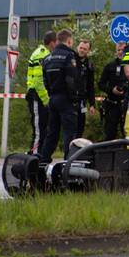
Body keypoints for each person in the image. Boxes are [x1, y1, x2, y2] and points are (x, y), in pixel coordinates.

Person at [40, 29, 82, 163]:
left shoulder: (47, 59)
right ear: (69, 41)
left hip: (53, 99)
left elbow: (45, 81)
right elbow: (71, 79)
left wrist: (51, 94)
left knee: (52, 134)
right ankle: (68, 163)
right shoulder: (69, 56)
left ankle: (43, 161)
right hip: (66, 100)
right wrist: (74, 98)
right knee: (69, 134)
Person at [25, 31, 56, 157]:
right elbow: (39, 81)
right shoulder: (42, 55)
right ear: (53, 42)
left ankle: (40, 157)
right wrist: (46, 100)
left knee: (44, 129)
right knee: (39, 131)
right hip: (37, 97)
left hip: (40, 97)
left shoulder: (45, 53)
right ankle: (34, 158)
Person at [99, 42, 129, 141]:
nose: (121, 52)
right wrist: (111, 90)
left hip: (127, 104)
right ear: (115, 52)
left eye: (123, 50)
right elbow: (101, 84)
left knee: (128, 133)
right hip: (112, 104)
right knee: (110, 133)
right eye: (118, 50)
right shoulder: (110, 66)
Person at [75, 39, 97, 140]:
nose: (82, 50)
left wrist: (92, 104)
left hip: (82, 100)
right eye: (81, 48)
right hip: (70, 99)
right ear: (77, 48)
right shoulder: (71, 61)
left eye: (85, 49)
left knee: (81, 124)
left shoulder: (89, 65)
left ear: (88, 51)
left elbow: (90, 86)